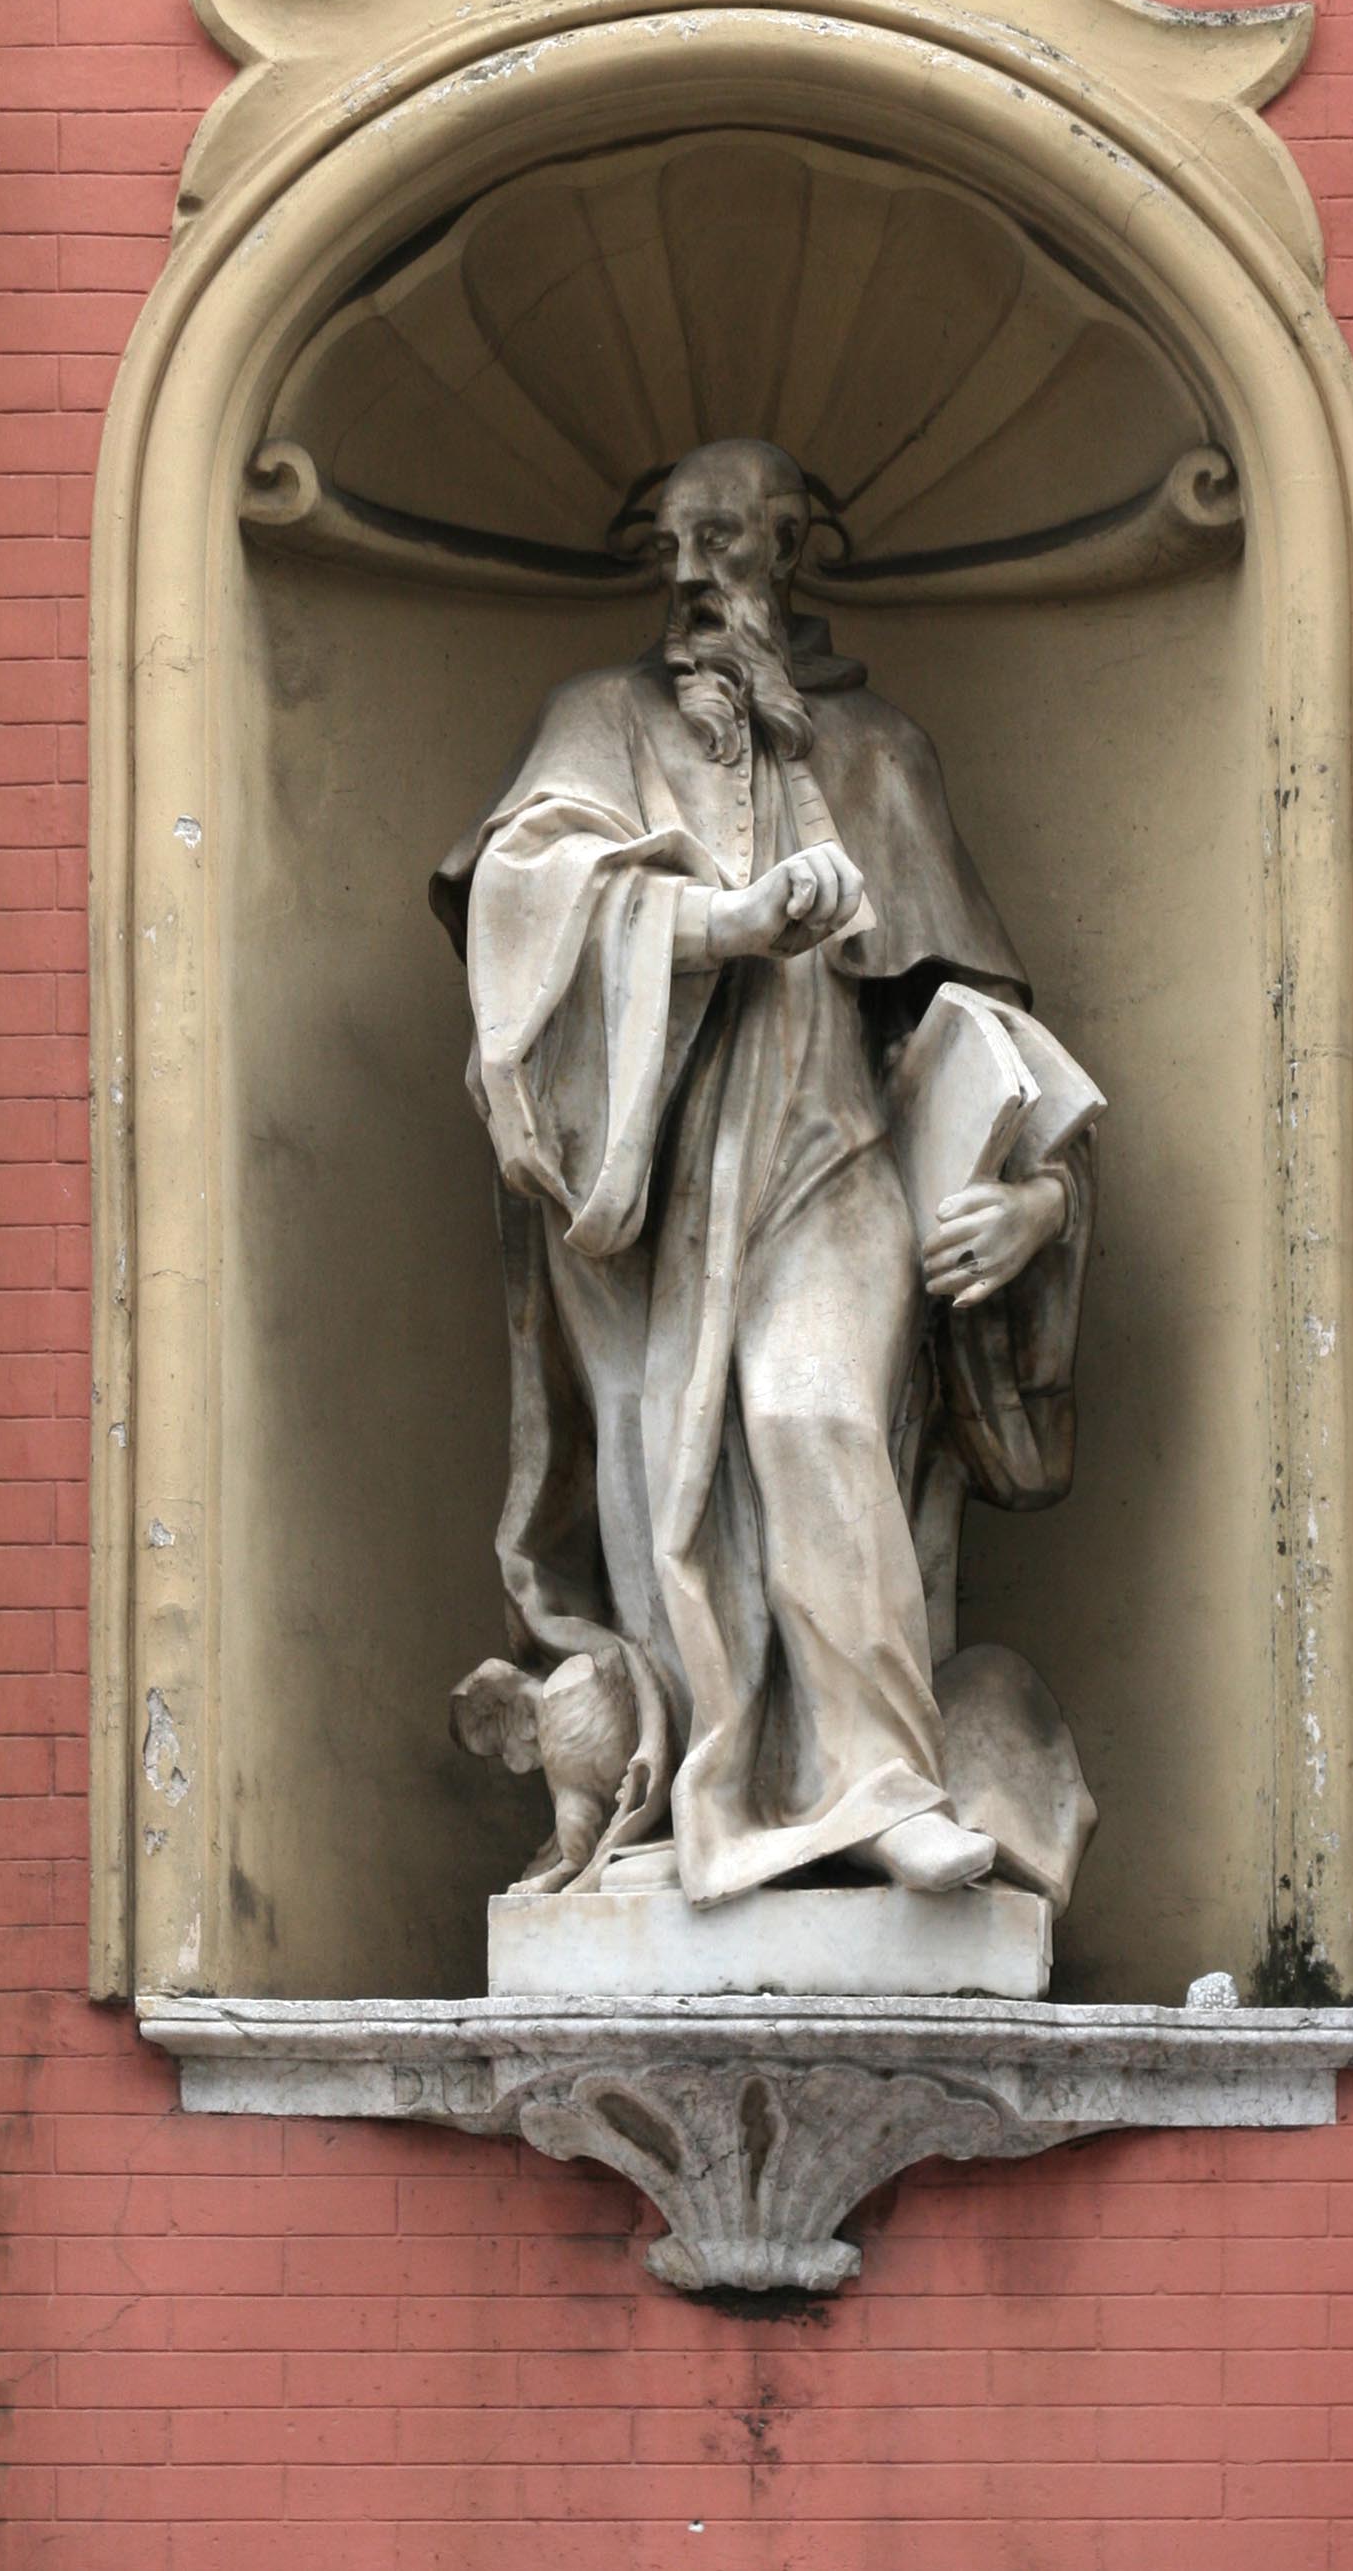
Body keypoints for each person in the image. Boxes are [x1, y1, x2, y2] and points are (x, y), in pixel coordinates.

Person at [432, 437, 1096, 1905]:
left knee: (809, 1420)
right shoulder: (599, 719)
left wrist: (1037, 1201)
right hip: (651, 1198)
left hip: (830, 1155)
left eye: (723, 538)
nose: (687, 571)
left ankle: (880, 1787)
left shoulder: (878, 753)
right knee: (662, 1488)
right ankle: (677, 1802)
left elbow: (986, 1035)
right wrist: (718, 927)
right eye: (667, 539)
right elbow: (516, 896)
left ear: (796, 548)